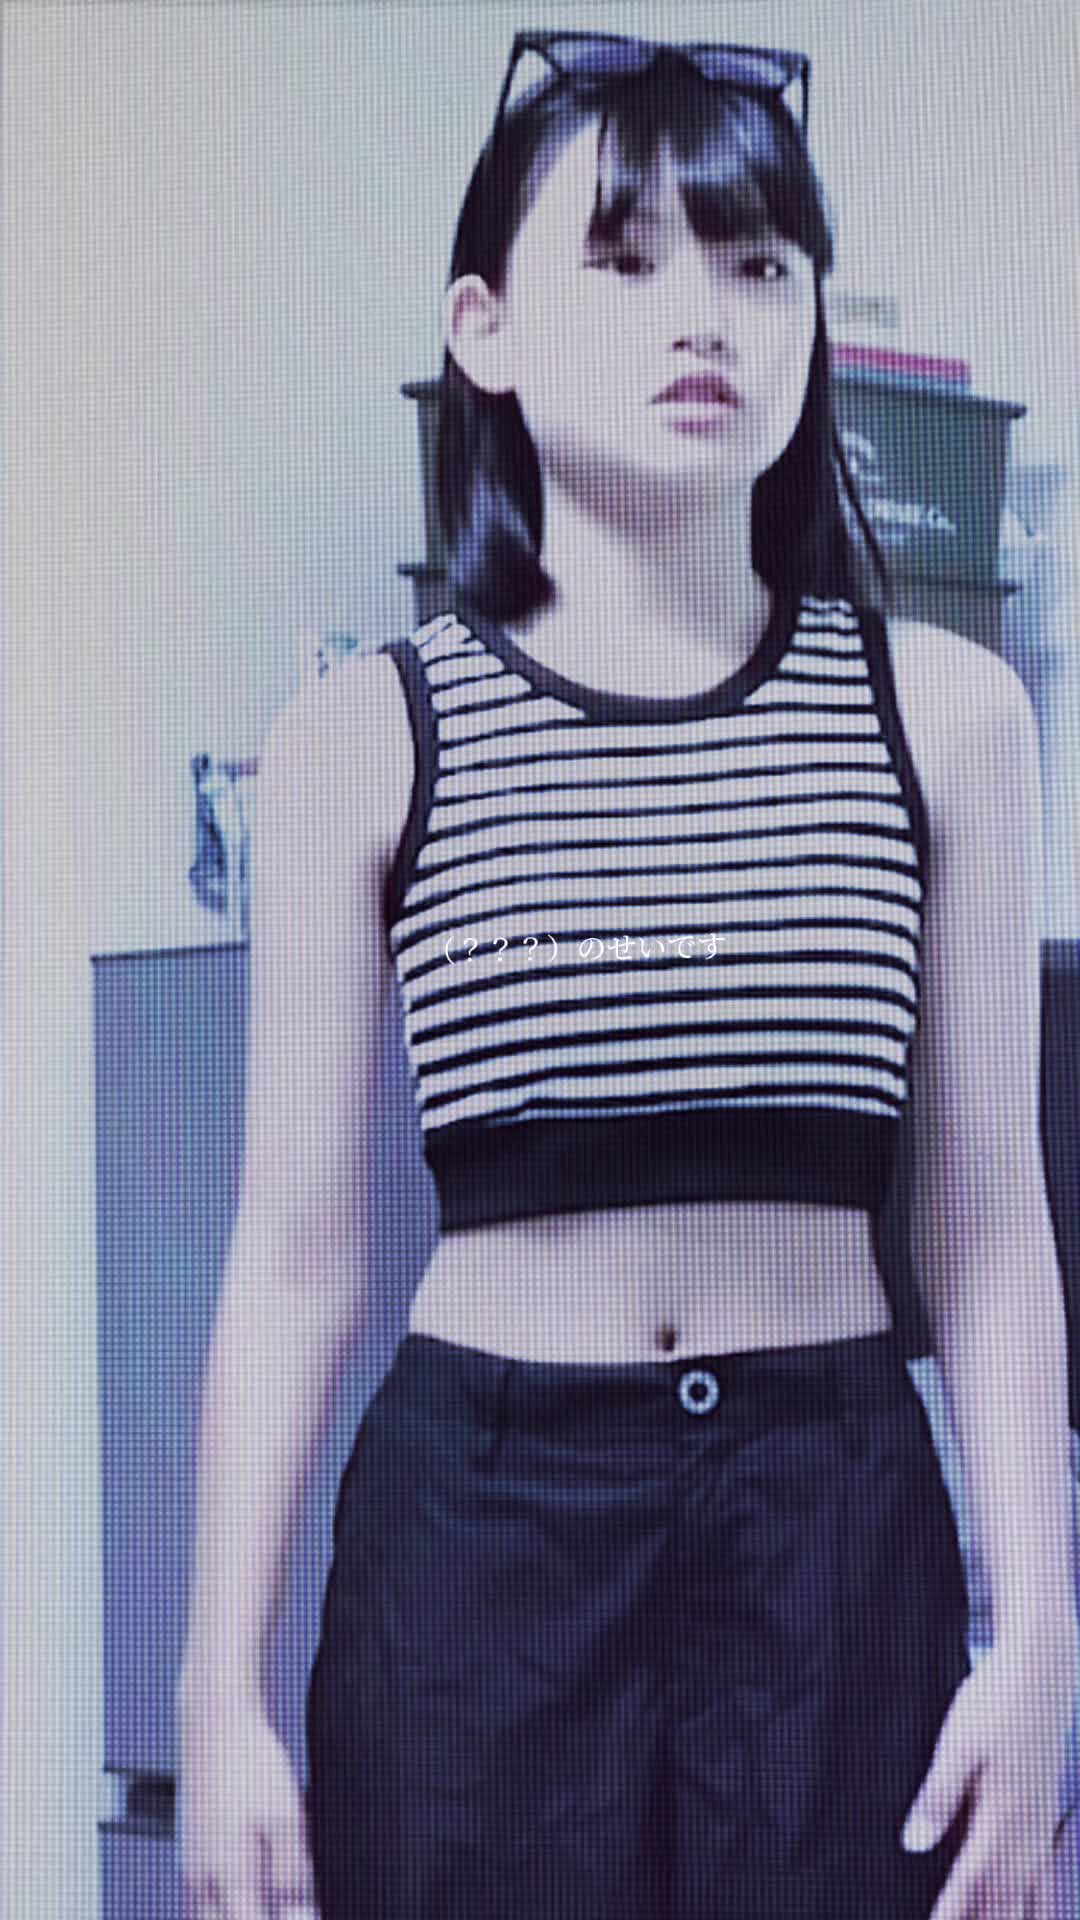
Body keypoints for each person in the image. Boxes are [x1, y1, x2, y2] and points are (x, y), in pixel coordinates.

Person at [176, 32, 1079, 1920]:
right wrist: (220, 1682)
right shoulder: (367, 735)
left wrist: (1040, 1638)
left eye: (759, 263)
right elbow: (296, 1257)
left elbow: (991, 1219)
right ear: (486, 330)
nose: (707, 316)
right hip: (483, 1535)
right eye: (625, 257)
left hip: (833, 1523)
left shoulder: (948, 718)